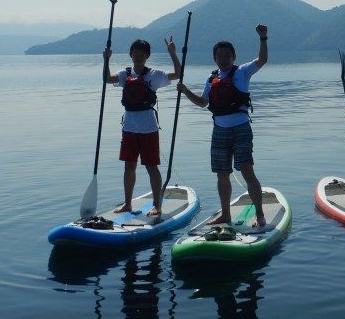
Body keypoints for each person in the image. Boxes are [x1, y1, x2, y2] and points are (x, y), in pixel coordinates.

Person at [178, 24, 269, 227]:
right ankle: (225, 214)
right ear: (215, 58)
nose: (224, 58)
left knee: (247, 170)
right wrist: (185, 91)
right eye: (220, 55)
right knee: (222, 174)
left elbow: (262, 60)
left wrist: (263, 38)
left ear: (233, 56)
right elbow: (203, 103)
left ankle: (260, 215)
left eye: (227, 55)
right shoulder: (211, 79)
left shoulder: (242, 72)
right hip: (219, 130)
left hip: (241, 128)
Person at [103, 37, 181, 217]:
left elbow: (177, 74)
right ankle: (128, 204)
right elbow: (107, 78)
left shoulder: (154, 75)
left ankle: (157, 205)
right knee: (129, 166)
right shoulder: (125, 74)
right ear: (131, 55)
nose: (138, 56)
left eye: (141, 54)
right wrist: (106, 59)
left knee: (151, 166)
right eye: (135, 53)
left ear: (147, 56)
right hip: (129, 127)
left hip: (148, 129)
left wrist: (172, 54)